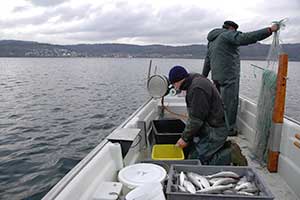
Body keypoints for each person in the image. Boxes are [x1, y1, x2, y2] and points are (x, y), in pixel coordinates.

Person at [202, 21, 279, 136]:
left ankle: (217, 126)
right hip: (229, 77)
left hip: (217, 77)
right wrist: (269, 30)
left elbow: (207, 60)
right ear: (232, 29)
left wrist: (203, 76)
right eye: (236, 31)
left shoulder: (212, 40)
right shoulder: (228, 34)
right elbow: (246, 38)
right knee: (230, 103)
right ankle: (229, 130)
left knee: (219, 104)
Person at [168, 65, 247, 165]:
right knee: (193, 152)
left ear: (178, 81)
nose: (174, 88)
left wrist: (184, 138)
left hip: (215, 129)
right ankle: (223, 147)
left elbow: (196, 120)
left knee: (196, 162)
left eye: (173, 84)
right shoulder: (194, 79)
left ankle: (231, 154)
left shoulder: (196, 89)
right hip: (212, 124)